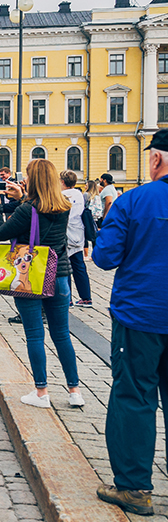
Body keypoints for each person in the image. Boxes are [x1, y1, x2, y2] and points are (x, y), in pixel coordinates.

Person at [92, 129, 168, 517]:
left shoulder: (134, 200)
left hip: (142, 315)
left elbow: (104, 258)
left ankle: (135, 487)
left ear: (155, 159)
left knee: (135, 397)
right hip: (146, 312)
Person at [0, 158, 82, 410]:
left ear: (35, 180)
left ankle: (41, 392)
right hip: (60, 276)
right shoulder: (63, 205)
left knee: (35, 335)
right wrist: (21, 199)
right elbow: (38, 217)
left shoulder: (27, 210)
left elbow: (0, 233)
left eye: (27, 175)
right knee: (62, 334)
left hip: (32, 278)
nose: (24, 179)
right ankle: (74, 391)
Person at [59, 170, 92, 308]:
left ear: (62, 182)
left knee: (65, 266)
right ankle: (86, 298)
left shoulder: (60, 195)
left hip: (65, 232)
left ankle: (68, 299)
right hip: (79, 232)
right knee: (79, 266)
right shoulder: (79, 194)